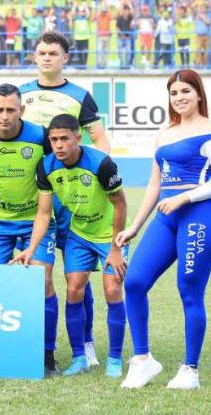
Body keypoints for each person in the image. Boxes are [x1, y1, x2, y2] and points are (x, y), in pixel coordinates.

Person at [118, 69, 211, 390]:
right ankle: (142, 361)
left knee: (189, 291)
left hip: (201, 217)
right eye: (174, 93)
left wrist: (185, 197)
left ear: (198, 94)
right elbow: (155, 184)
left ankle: (189, 370)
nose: (179, 98)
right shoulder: (164, 132)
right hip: (166, 218)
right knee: (135, 282)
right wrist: (135, 227)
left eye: (185, 91)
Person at [20, 30, 111, 367]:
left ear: (65, 58)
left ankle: (84, 344)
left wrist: (96, 177)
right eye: (41, 53)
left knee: (78, 272)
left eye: (53, 54)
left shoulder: (79, 95)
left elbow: (100, 140)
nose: (47, 58)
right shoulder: (22, 94)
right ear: (34, 57)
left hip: (72, 197)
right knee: (43, 275)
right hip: (37, 196)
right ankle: (40, 346)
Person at [17, 114, 128, 378]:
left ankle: (114, 359)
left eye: (64, 138)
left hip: (108, 236)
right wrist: (31, 249)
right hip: (78, 235)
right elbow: (44, 214)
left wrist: (115, 248)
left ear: (78, 138)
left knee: (113, 290)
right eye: (54, 139)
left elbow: (120, 204)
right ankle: (79, 358)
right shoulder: (46, 167)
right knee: (74, 290)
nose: (58, 145)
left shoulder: (102, 164)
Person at [0, 84, 57, 375]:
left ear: (22, 111)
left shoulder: (41, 137)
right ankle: (0, 351)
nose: (5, 116)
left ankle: (47, 355)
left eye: (11, 110)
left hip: (37, 220)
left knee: (42, 282)